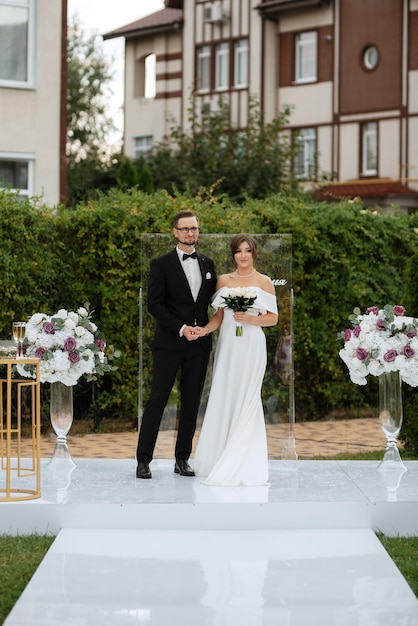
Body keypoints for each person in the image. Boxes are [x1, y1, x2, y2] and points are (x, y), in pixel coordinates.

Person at [136, 210, 217, 479]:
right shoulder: (161, 264)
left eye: (194, 228)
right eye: (185, 229)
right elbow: (154, 305)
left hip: (199, 346)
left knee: (191, 403)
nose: (190, 233)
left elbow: (214, 302)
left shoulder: (208, 264)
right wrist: (182, 329)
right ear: (175, 231)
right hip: (170, 343)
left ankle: (182, 459)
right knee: (157, 400)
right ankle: (143, 460)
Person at [193, 234, 278, 486]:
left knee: (247, 396)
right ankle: (218, 455)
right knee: (225, 393)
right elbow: (219, 316)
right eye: (238, 251)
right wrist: (205, 330)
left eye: (248, 250)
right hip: (229, 344)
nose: (243, 255)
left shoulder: (264, 281)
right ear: (233, 254)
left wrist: (249, 318)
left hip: (252, 344)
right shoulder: (224, 280)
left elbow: (272, 318)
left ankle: (246, 460)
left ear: (254, 254)